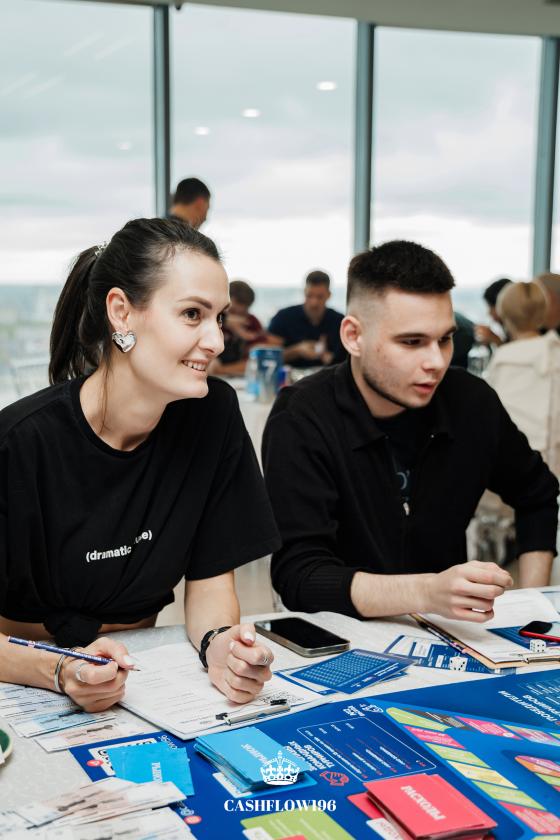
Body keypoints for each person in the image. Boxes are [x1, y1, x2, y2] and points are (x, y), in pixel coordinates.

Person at [0, 218, 279, 712]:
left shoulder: (212, 415)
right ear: (121, 312)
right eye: (192, 314)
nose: (217, 341)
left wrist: (220, 647)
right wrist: (60, 670)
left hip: (137, 676)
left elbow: (212, 582)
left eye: (219, 318)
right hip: (19, 680)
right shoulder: (20, 442)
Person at [262, 241, 558, 623]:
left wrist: (532, 607)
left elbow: (537, 494)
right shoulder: (303, 416)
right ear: (353, 336)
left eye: (445, 339)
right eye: (412, 342)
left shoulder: (471, 402)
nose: (436, 362)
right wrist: (426, 592)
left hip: (450, 630)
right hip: (341, 632)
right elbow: (300, 576)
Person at [485, 281, 560, 476]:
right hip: (552, 461)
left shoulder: (504, 358)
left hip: (514, 462)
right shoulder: (555, 352)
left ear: (503, 314)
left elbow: (491, 412)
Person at [268, 270, 345, 368]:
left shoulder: (339, 321)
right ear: (304, 292)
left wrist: (330, 358)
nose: (314, 303)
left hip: (327, 375)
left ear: (329, 295)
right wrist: (297, 351)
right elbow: (268, 357)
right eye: (309, 296)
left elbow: (347, 362)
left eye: (320, 297)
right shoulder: (283, 317)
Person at [209, 279, 267, 377]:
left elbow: (257, 360)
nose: (237, 317)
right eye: (232, 311)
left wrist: (220, 370)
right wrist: (224, 321)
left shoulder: (251, 322)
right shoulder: (212, 318)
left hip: (234, 374)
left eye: (243, 313)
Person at [474, 277, 511, 347]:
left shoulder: (519, 331)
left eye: (491, 307)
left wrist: (495, 340)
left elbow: (515, 352)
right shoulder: (509, 330)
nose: (489, 313)